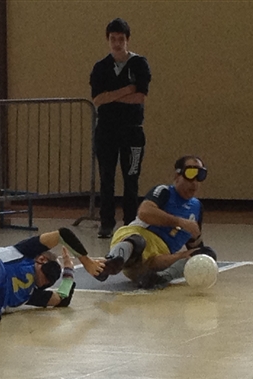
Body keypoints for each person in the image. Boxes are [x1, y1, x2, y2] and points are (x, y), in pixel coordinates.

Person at [95, 155, 217, 287]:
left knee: (205, 254)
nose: (194, 182)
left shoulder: (197, 208)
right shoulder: (164, 192)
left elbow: (194, 244)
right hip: (138, 241)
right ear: (177, 175)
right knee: (137, 242)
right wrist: (179, 222)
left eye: (200, 175)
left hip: (159, 258)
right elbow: (144, 212)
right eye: (190, 174)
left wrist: (197, 244)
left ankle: (160, 278)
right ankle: (112, 261)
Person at [90, 17, 152, 238]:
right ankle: (106, 222)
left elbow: (140, 97)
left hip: (132, 131)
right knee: (106, 178)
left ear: (127, 40)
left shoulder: (139, 64)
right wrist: (127, 89)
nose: (117, 43)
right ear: (108, 40)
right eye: (113, 39)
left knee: (131, 178)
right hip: (106, 131)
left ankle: (130, 223)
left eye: (121, 39)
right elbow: (98, 99)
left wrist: (112, 96)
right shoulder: (100, 67)